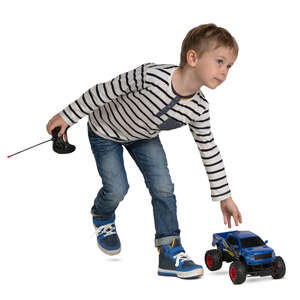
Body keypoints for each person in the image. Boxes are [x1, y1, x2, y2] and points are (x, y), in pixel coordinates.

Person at [46, 23, 242, 279]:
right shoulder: (151, 76)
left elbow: (209, 149)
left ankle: (169, 253)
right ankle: (103, 213)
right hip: (106, 131)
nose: (225, 71)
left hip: (143, 137)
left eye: (229, 66)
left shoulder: (199, 108)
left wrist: (224, 196)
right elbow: (104, 91)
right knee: (117, 187)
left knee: (164, 188)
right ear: (192, 57)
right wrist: (67, 116)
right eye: (219, 61)